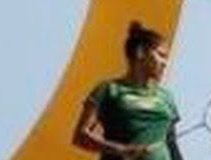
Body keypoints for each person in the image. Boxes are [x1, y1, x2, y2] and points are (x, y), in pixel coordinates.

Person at [74, 21, 184, 160]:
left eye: (166, 58)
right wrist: (120, 150)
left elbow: (172, 144)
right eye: (161, 55)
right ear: (140, 52)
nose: (164, 63)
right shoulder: (108, 89)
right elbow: (80, 136)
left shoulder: (166, 96)